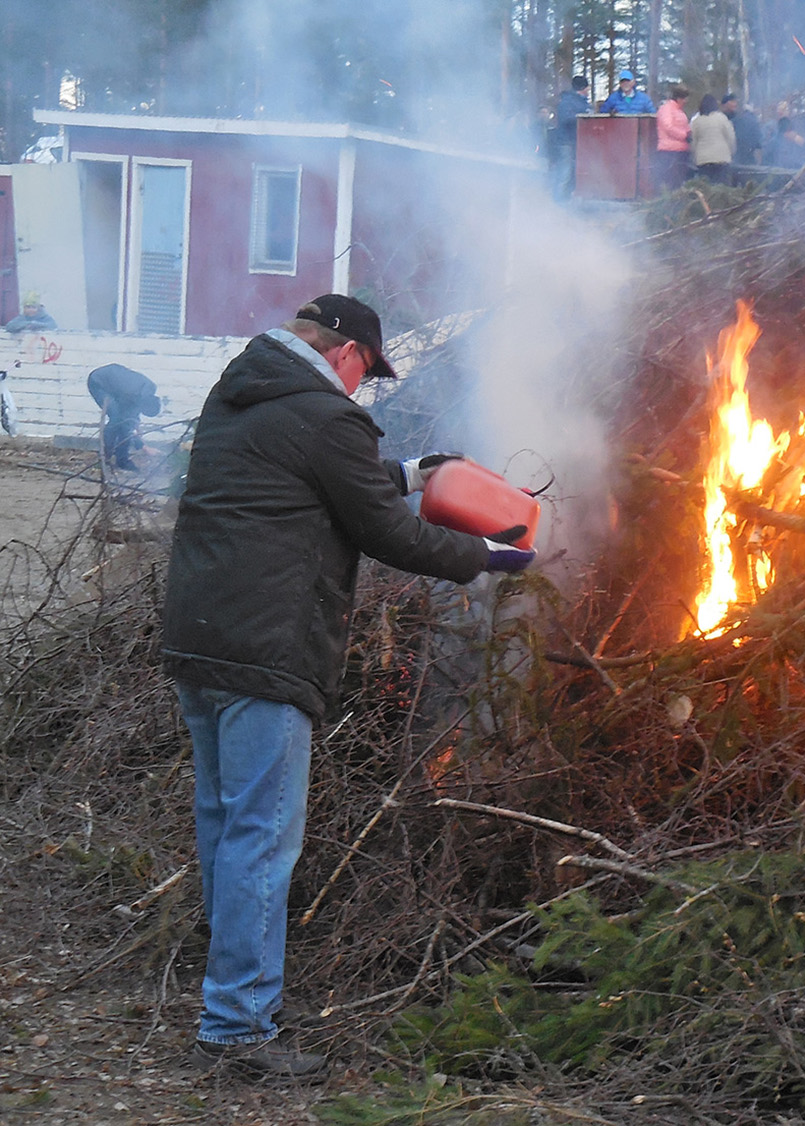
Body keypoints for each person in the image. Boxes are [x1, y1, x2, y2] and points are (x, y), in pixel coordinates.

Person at [161, 294, 535, 1080]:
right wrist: (488, 558)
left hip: (203, 642)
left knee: (228, 830)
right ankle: (235, 1030)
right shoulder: (327, 414)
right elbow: (386, 532)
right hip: (268, 651)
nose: (362, 387)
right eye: (366, 371)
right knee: (262, 840)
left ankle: (230, 997)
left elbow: (304, 480)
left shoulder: (242, 392)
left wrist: (409, 474)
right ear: (344, 353)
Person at [86, 363, 161, 471]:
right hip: (99, 381)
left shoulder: (148, 390)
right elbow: (126, 422)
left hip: (116, 381)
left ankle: (120, 459)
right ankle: (107, 455)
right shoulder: (130, 394)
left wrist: (136, 425)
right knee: (116, 418)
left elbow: (133, 414)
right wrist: (143, 447)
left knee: (124, 421)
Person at [553, 75, 592, 200]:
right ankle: (558, 199)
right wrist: (581, 117)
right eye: (587, 87)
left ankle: (569, 197)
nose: (588, 90)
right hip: (566, 141)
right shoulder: (567, 101)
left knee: (574, 170)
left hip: (577, 141)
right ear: (582, 88)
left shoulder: (582, 102)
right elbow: (565, 118)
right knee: (565, 170)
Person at [689, 94, 736, 184]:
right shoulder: (722, 118)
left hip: (703, 160)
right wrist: (732, 152)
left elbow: (693, 142)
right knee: (722, 187)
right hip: (722, 158)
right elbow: (731, 137)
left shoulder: (697, 121)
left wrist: (694, 157)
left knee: (706, 187)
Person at [654, 83, 691, 192]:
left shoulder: (679, 111)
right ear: (679, 98)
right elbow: (668, 127)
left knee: (678, 183)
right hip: (669, 151)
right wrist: (684, 135)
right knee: (669, 182)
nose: (686, 101)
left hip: (681, 151)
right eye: (685, 98)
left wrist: (689, 133)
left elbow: (684, 126)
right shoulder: (667, 109)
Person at [720, 94, 763, 165]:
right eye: (732, 102)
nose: (734, 104)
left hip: (736, 158)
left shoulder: (738, 121)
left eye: (735, 102)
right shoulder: (725, 120)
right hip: (740, 158)